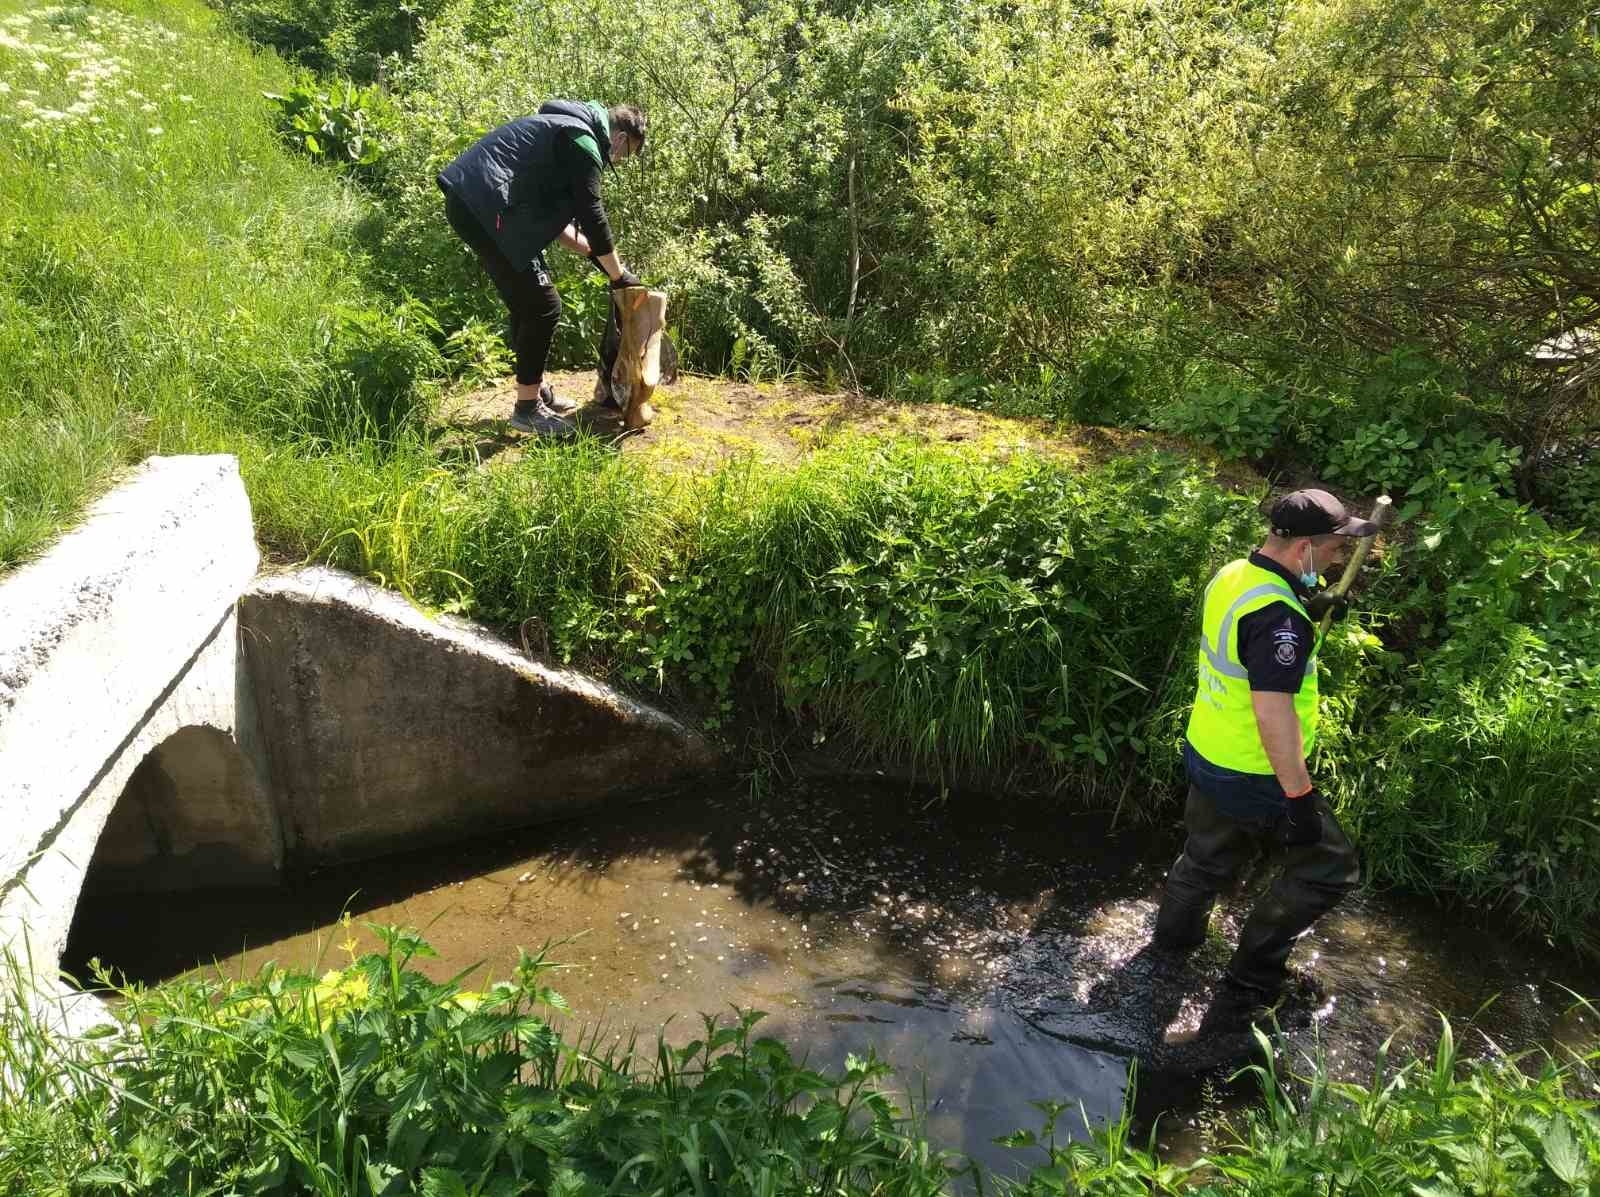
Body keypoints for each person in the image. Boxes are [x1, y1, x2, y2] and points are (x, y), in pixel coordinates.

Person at [1152, 489, 1373, 1016]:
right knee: (1328, 871)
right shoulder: (1278, 619)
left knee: (1205, 860)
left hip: (1209, 752)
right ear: (1304, 550)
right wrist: (1298, 796)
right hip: (1256, 769)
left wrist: (1307, 604)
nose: (1341, 558)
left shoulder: (1235, 576)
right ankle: (1251, 981)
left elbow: (1242, 643)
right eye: (1337, 548)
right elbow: (1273, 712)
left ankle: (1169, 951)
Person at [438, 99, 646, 436]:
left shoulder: (565, 130)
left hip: (476, 203)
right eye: (625, 155)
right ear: (620, 138)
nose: (618, 160)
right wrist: (618, 276)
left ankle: (535, 390)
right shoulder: (583, 142)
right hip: (487, 206)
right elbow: (593, 215)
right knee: (544, 306)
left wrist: (604, 262)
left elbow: (567, 230)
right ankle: (527, 410)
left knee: (528, 302)